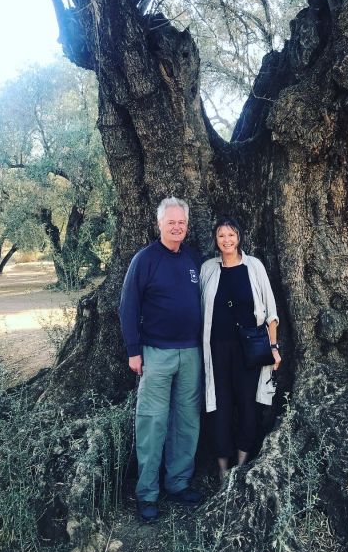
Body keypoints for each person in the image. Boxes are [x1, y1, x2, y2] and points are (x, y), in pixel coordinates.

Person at [119, 197, 203, 522]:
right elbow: (128, 307)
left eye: (181, 222)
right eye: (171, 222)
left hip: (192, 353)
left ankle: (178, 483)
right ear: (160, 224)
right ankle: (147, 494)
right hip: (155, 353)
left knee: (187, 421)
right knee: (152, 422)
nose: (177, 227)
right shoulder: (145, 260)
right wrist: (133, 350)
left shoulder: (193, 259)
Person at [200, 216, 280, 481]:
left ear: (239, 238)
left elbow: (270, 311)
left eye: (231, 235)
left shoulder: (254, 266)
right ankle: (223, 468)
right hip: (217, 350)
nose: (227, 240)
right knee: (220, 406)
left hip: (250, 350)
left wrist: (274, 346)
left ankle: (242, 463)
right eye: (221, 236)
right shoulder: (208, 269)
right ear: (215, 239)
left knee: (248, 405)